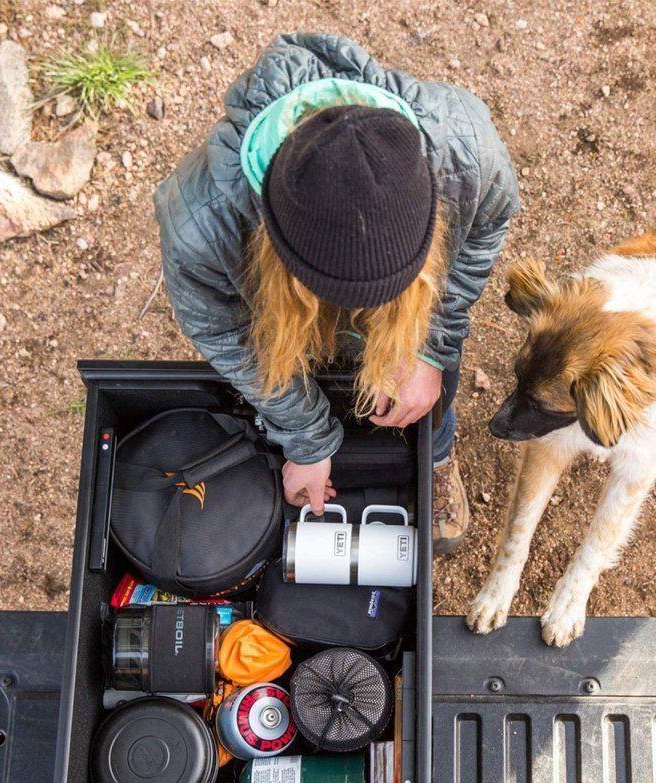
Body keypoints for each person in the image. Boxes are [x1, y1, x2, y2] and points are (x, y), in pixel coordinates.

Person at [155, 33, 518, 554]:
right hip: (289, 332)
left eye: (394, 286)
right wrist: (306, 439)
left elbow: (489, 222)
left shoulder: (463, 150)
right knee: (306, 371)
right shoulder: (201, 226)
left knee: (433, 398)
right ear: (277, 248)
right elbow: (224, 332)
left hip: (418, 340)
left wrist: (428, 350)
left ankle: (435, 452)